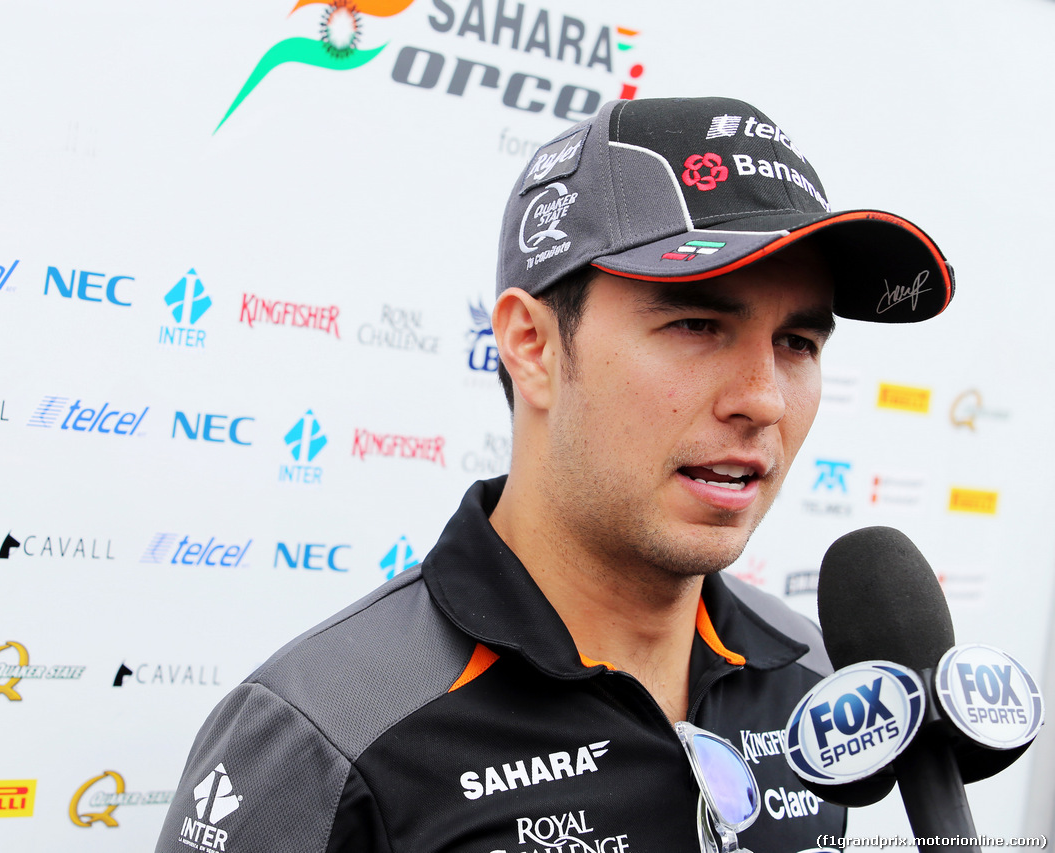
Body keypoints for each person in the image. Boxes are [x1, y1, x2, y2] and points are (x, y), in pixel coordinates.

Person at [155, 96, 954, 853]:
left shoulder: (816, 676)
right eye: (697, 324)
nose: (763, 398)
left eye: (799, 343)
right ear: (531, 346)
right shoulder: (325, 733)